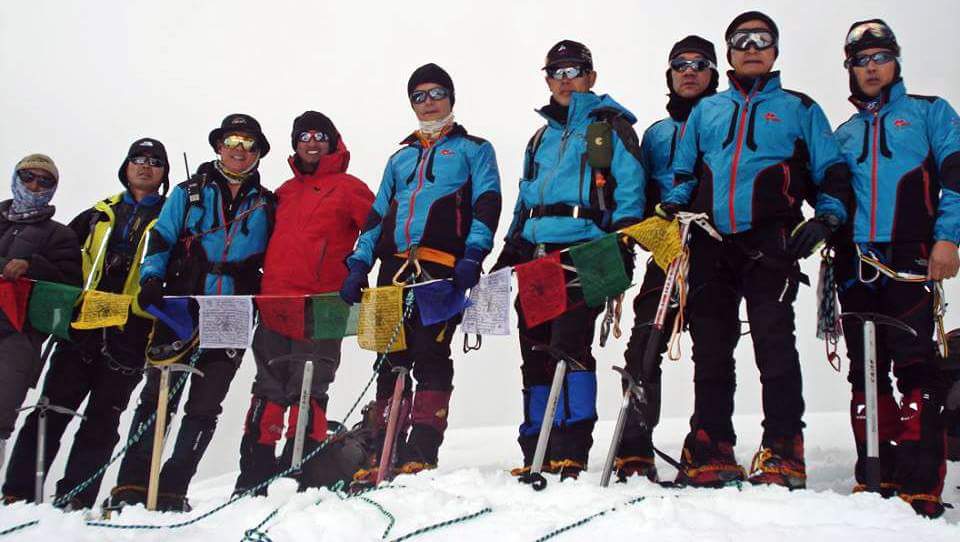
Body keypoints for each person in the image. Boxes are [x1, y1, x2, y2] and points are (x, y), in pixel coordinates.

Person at [659, 11, 853, 489]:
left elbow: (830, 171)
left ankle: (783, 447)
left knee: (774, 344)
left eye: (761, 40)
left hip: (772, 239)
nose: (751, 47)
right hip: (710, 241)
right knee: (711, 347)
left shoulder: (799, 108)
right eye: (741, 40)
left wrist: (827, 217)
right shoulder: (708, 111)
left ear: (775, 51)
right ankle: (711, 445)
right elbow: (685, 174)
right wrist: (672, 207)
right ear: (728, 52)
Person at [104, 114, 275, 512]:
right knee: (158, 396)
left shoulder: (267, 202)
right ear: (218, 146)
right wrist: (150, 279)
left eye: (248, 143)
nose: (239, 149)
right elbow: (161, 237)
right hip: (181, 302)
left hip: (234, 305)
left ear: (258, 153)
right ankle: (132, 485)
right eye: (232, 140)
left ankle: (172, 489)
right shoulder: (189, 191)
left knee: (205, 404)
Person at [341, 63, 502, 481]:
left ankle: (421, 451)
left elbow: (488, 202)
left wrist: (474, 253)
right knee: (388, 357)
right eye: (419, 96)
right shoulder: (399, 157)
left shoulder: (474, 148)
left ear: (451, 97)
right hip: (392, 268)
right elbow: (377, 216)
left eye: (436, 93)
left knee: (431, 354)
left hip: (441, 265)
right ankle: (382, 449)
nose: (428, 102)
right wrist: (359, 262)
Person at [494, 40, 645, 480]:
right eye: (556, 71)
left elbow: (631, 185)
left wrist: (623, 239)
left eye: (573, 70)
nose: (564, 79)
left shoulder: (607, 128)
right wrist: (511, 245)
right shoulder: (540, 137)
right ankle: (536, 446)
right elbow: (526, 197)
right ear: (547, 79)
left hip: (587, 248)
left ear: (591, 77)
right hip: (537, 254)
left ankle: (571, 447)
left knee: (571, 345)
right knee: (535, 351)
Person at [833, 19, 960, 518]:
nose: (871, 67)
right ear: (850, 68)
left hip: (912, 255)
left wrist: (948, 238)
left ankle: (920, 476)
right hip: (855, 260)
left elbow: (956, 174)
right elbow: (833, 193)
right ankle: (875, 468)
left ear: (896, 61)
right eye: (861, 60)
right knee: (866, 369)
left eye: (880, 57)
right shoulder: (843, 133)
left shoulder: (930, 113)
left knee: (914, 361)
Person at [2, 139, 168, 510]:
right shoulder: (98, 214)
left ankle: (77, 498)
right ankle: (17, 493)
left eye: (155, 162)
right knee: (51, 408)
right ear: (125, 167)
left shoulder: (172, 220)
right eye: (138, 160)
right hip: (83, 324)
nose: (146, 167)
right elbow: (60, 260)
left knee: (104, 419)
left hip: (131, 329)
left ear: (164, 173)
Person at [233, 111, 373, 496]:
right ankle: (253, 476)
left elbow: (377, 229)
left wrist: (357, 270)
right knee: (268, 387)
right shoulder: (284, 191)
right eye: (304, 136)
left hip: (324, 301)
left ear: (332, 141)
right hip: (275, 301)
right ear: (295, 144)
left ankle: (305, 471)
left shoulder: (349, 187)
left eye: (320, 136)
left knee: (309, 385)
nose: (312, 142)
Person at [614, 35, 719, 481]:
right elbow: (638, 192)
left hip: (717, 250)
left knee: (715, 349)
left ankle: (710, 444)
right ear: (670, 75)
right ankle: (634, 448)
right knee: (644, 342)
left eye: (699, 64)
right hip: (666, 249)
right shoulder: (656, 134)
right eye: (680, 65)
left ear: (713, 73)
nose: (689, 71)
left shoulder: (727, 120)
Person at [0, 154, 81, 476]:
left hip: (19, 334)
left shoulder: (59, 235)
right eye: (28, 176)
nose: (35, 185)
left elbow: (70, 286)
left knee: (2, 409)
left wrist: (33, 266)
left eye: (45, 181)